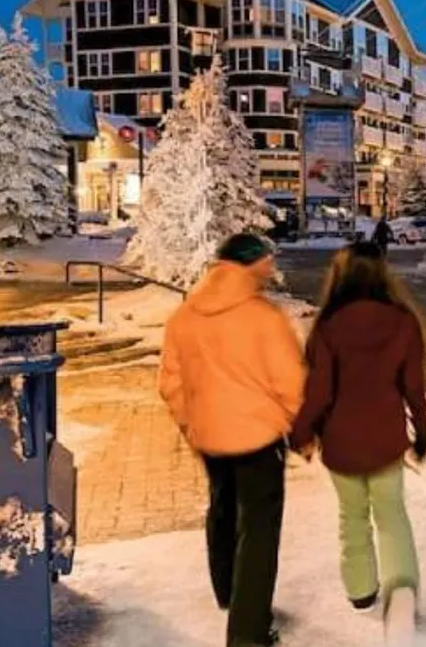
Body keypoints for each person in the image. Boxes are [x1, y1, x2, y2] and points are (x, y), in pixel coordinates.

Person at [159, 234, 307, 647]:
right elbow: (291, 383)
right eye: (266, 260)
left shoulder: (185, 315)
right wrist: (302, 430)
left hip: (209, 435)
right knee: (258, 529)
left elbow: (169, 381)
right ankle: (248, 631)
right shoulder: (264, 317)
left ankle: (227, 591)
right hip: (258, 437)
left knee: (222, 507)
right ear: (250, 264)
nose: (271, 267)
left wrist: (191, 422)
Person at [289, 242, 426, 615]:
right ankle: (401, 591)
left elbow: (318, 392)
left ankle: (361, 588)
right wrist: (421, 432)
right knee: (392, 514)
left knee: (351, 516)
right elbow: (413, 387)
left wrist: (302, 433)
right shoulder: (403, 321)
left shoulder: (328, 326)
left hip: (341, 442)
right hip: (386, 437)